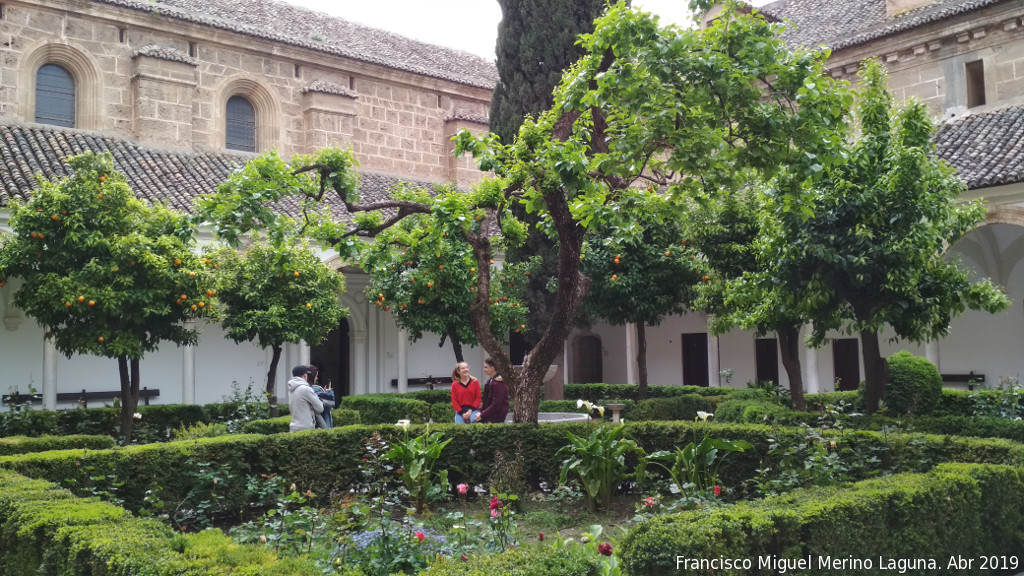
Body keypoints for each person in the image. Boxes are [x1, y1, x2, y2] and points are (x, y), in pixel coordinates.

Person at [288, 364, 324, 432]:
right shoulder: (306, 389)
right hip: (305, 428)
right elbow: (320, 408)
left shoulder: (291, 388)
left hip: (293, 427)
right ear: (305, 375)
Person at [478, 358, 509, 424]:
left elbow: (496, 404)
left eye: (486, 367)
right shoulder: (491, 381)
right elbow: (486, 401)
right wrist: (480, 412)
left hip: (496, 417)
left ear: (492, 368)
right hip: (488, 415)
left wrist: (482, 415)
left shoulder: (499, 383)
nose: (484, 370)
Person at [307, 364, 335, 429]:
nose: (317, 378)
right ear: (312, 376)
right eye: (316, 376)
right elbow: (328, 406)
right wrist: (329, 393)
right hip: (322, 421)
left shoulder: (303, 388)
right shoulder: (316, 389)